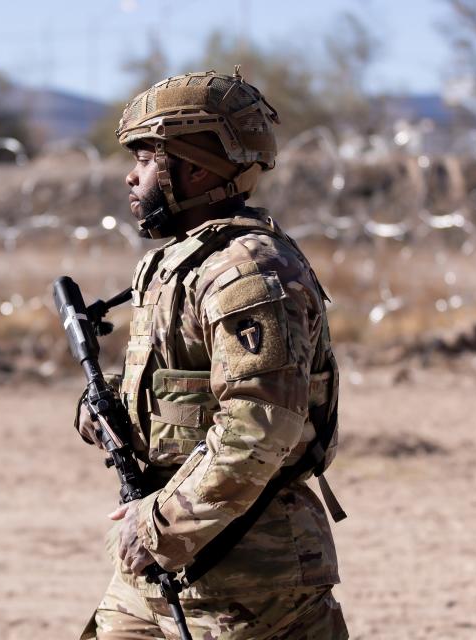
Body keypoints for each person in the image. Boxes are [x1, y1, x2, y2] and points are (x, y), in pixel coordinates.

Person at [75, 69, 348, 639]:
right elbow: (185, 389)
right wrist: (107, 411)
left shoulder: (244, 271)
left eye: (148, 158)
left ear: (196, 167)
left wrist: (160, 525)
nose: (131, 175)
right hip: (161, 565)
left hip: (252, 577)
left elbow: (261, 423)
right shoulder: (180, 261)